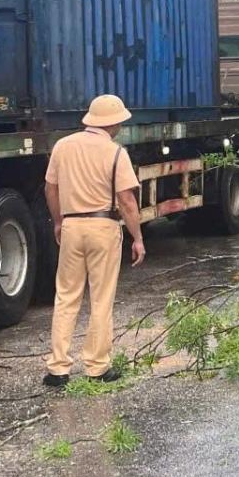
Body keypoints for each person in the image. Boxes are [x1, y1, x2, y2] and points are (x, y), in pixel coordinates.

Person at [43, 94, 145, 387]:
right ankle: (97, 367)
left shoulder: (63, 146)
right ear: (113, 123)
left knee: (66, 296)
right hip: (103, 227)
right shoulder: (116, 153)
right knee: (101, 299)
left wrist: (59, 221)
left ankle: (58, 368)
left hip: (72, 226)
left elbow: (50, 189)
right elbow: (127, 201)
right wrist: (137, 237)